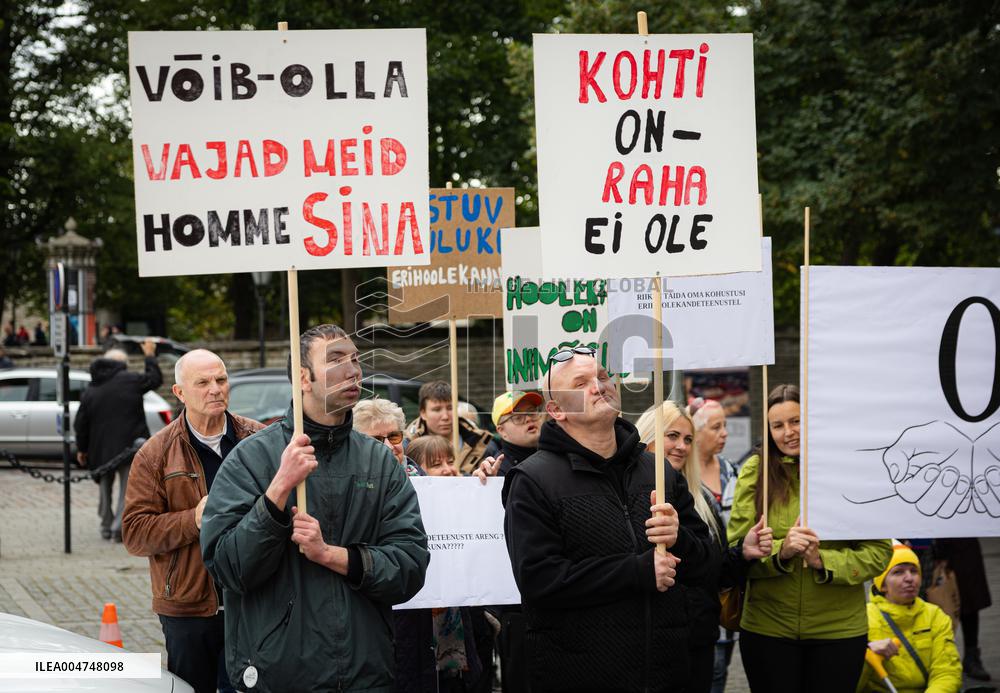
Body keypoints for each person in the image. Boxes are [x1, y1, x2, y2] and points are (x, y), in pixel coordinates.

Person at [201, 324, 429, 693]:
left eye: (355, 359)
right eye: (336, 360)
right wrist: (278, 491)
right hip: (279, 676)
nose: (353, 370)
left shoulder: (379, 461)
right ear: (303, 379)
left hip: (364, 675)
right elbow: (227, 568)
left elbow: (410, 565)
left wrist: (333, 556)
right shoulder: (250, 458)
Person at [502, 346, 717, 692]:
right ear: (557, 410)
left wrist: (680, 539)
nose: (599, 385)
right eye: (582, 382)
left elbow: (708, 566)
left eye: (603, 376)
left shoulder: (657, 470)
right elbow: (540, 581)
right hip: (580, 676)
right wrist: (636, 571)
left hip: (667, 674)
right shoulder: (533, 480)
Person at [728, 384, 893, 693]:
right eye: (777, 425)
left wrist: (822, 561)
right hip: (768, 629)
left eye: (796, 421)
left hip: (839, 632)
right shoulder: (756, 471)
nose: (788, 432)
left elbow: (878, 553)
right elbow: (736, 552)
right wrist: (782, 552)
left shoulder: (849, 471)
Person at [122, 349, 263, 693]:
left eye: (221, 379)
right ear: (180, 393)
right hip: (187, 606)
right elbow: (135, 533)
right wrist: (194, 519)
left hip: (254, 599)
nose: (215, 389)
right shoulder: (156, 453)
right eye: (203, 382)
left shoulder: (257, 440)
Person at [635, 401, 772, 693]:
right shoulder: (624, 496)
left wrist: (743, 553)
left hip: (697, 639)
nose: (682, 446)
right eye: (672, 436)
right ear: (648, 436)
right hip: (642, 640)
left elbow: (715, 571)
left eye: (687, 439)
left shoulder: (703, 499)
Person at [353, 398, 435, 693]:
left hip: (425, 613)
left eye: (394, 436)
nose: (388, 446)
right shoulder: (349, 486)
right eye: (375, 439)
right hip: (378, 610)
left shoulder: (425, 480)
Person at [76, 341, 162, 542]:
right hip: (129, 446)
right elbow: (155, 379)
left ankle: (106, 525)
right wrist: (149, 355)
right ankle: (118, 529)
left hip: (100, 447)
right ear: (122, 363)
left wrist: (82, 448)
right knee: (127, 489)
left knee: (104, 489)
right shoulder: (131, 380)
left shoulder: (92, 387)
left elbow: (81, 422)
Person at [856, 544, 962, 693]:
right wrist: (866, 655)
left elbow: (947, 672)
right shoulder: (862, 618)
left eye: (914, 571)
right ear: (882, 585)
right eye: (898, 572)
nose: (909, 578)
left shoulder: (935, 615)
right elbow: (849, 683)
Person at [690, 397, 742, 693]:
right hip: (700, 597)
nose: (724, 433)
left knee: (720, 673)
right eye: (716, 427)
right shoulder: (680, 477)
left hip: (728, 593)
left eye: (725, 426)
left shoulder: (733, 471)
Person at [934, 538, 992, 681]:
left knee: (969, 593)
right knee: (928, 597)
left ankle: (972, 656)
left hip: (961, 535)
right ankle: (935, 656)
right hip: (924, 535)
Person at [405, 380, 492, 475]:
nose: (445, 416)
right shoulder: (407, 445)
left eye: (450, 408)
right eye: (437, 409)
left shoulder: (482, 443)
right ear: (423, 413)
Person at [490, 390, 544, 476]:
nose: (528, 419)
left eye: (532, 412)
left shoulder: (558, 453)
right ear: (502, 431)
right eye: (518, 417)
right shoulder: (498, 471)